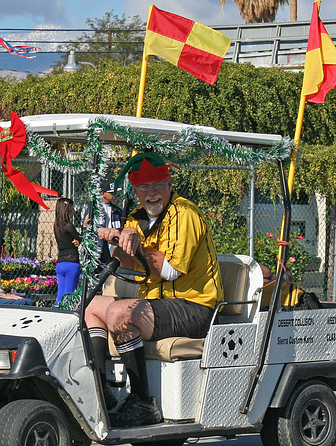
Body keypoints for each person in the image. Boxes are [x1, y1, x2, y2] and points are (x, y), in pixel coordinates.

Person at [85, 153, 223, 427]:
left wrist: (137, 246)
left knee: (118, 313)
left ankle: (142, 402)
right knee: (91, 306)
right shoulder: (137, 217)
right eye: (144, 188)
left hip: (195, 307)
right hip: (158, 303)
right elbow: (127, 262)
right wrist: (118, 240)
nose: (152, 193)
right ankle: (101, 390)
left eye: (158, 184)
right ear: (135, 192)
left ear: (170, 184)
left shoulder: (185, 214)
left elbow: (171, 270)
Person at [83, 179, 124, 270]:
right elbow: (86, 230)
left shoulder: (117, 211)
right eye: (111, 193)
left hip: (113, 253)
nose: (114, 195)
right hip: (98, 254)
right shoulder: (93, 210)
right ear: (103, 193)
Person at [54, 198, 82, 306]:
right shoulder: (68, 226)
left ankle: (56, 312)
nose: (74, 211)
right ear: (67, 210)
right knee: (69, 293)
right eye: (72, 208)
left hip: (60, 263)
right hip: (71, 263)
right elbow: (81, 238)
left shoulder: (57, 226)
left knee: (60, 294)